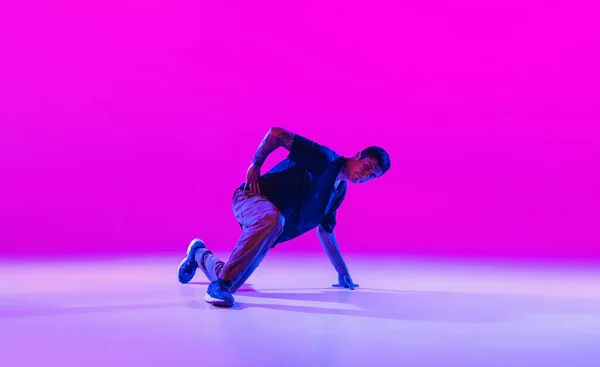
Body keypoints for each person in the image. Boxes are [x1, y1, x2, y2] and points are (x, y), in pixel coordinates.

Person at [177, 127, 391, 307]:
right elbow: (276, 133)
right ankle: (218, 287)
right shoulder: (324, 159)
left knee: (231, 279)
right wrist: (256, 165)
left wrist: (342, 272)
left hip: (269, 229)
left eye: (372, 175)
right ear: (358, 155)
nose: (366, 175)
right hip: (250, 199)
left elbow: (326, 231)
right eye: (367, 167)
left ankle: (198, 254)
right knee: (272, 222)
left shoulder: (338, 192)